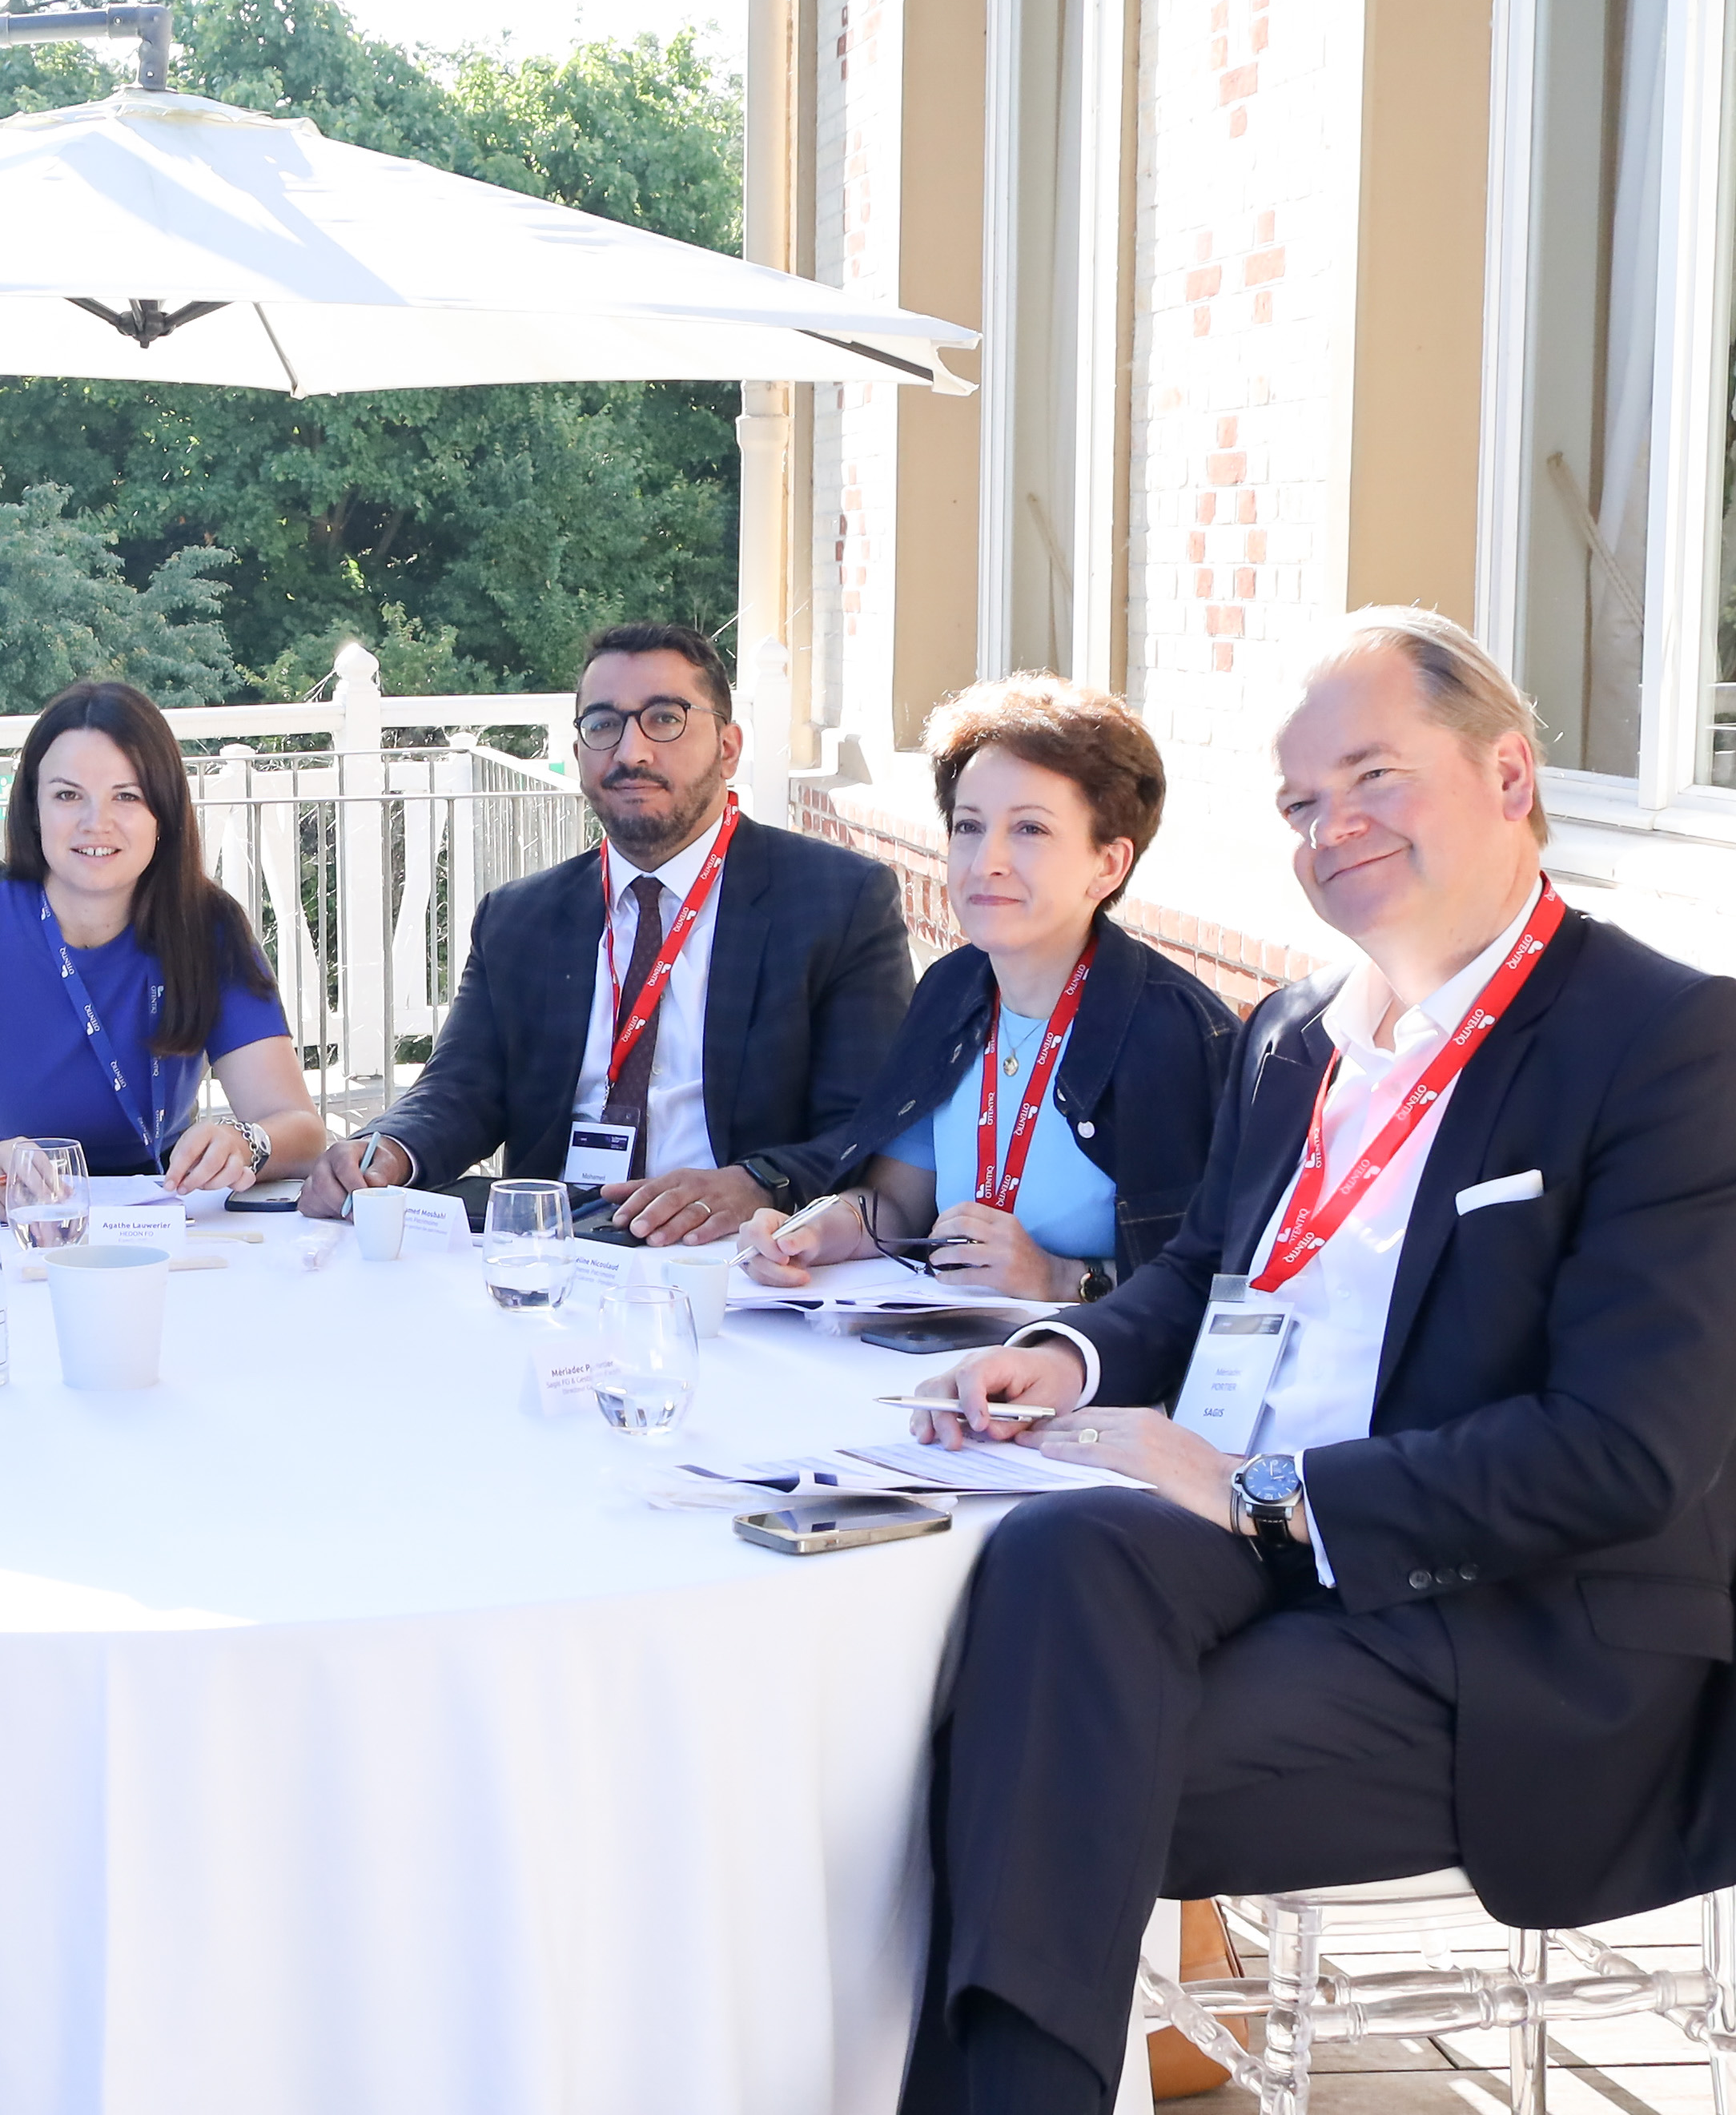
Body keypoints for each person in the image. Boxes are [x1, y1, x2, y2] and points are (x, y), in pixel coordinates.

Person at [895, 609, 1736, 2113]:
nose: (1328, 826)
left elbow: (1623, 1452)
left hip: (1504, 1622)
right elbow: (1202, 1279)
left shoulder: (1666, 1042)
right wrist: (1063, 1357)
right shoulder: (1291, 1031)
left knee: (985, 1770)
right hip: (1245, 1544)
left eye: (1371, 777)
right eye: (1297, 803)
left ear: (1507, 773)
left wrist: (1263, 1496)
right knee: (1051, 1563)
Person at [300, 621, 913, 1240]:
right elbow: (459, 1090)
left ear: (728, 748)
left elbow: (868, 1123)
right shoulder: (519, 918)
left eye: (665, 719)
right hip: (553, 1249)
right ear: (579, 754)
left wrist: (754, 1182)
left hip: (736, 1251)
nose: (631, 753)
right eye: (603, 725)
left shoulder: (837, 902)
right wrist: (386, 1149)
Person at [738, 674, 1236, 1302]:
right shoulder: (950, 987)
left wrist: (1060, 1278)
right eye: (969, 826)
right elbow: (897, 1202)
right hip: (939, 1339)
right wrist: (810, 1231)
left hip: (1094, 1360)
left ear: (1108, 864)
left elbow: (1225, 1278)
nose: (985, 862)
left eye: (1030, 830)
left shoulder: (1178, 1034)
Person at [0, 678, 325, 1199]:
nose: (96, 823)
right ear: (33, 809)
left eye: (127, 796)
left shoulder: (208, 924)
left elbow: (301, 1129)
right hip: (11, 1203)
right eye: (67, 795)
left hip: (171, 1204)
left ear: (163, 813)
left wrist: (246, 1143)